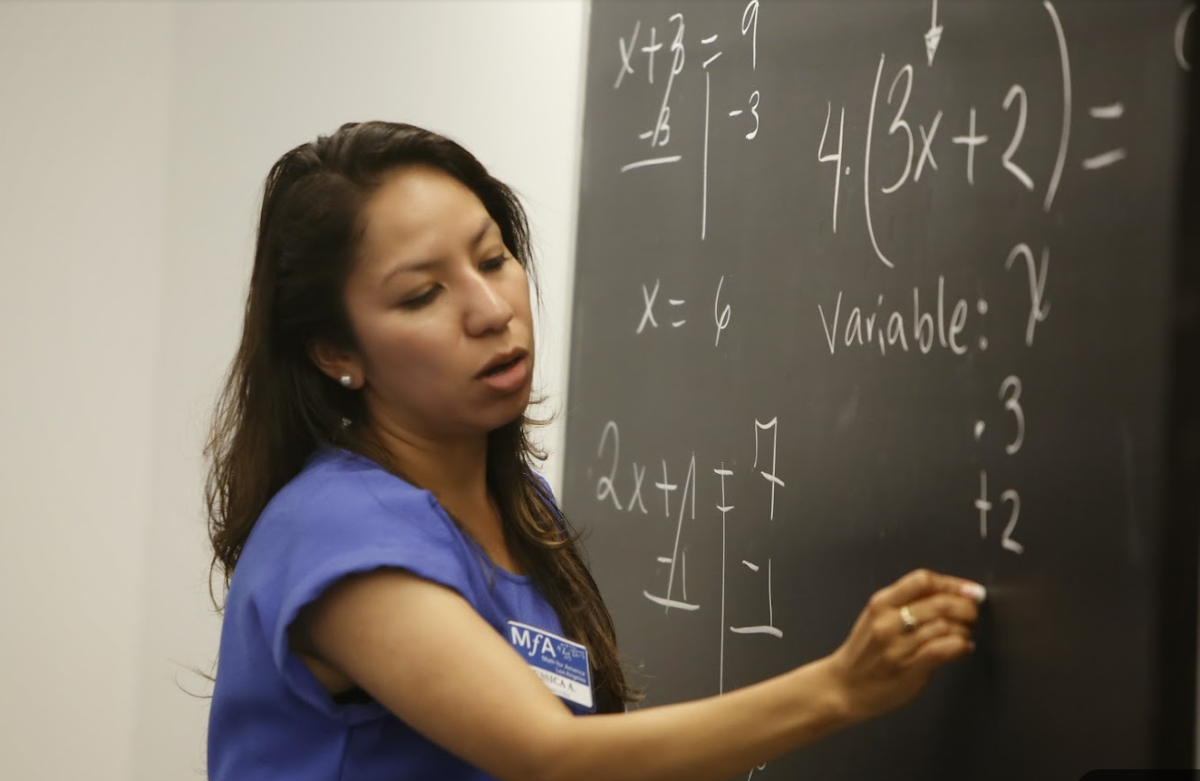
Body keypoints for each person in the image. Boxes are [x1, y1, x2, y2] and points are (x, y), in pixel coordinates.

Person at [204, 120, 985, 781]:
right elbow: (550, 756)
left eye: (492, 258)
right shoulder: (337, 531)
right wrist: (841, 689)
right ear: (335, 351)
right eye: (422, 295)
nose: (490, 310)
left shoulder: (517, 502)